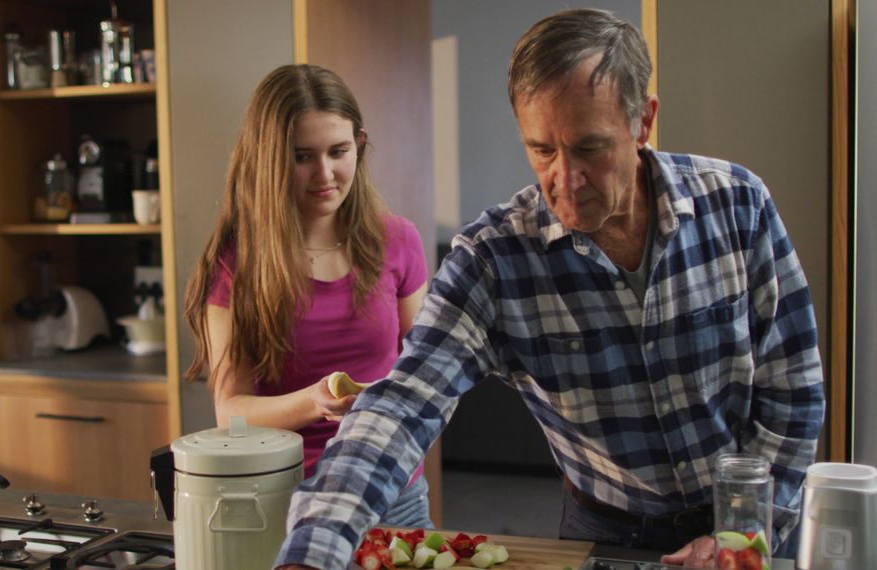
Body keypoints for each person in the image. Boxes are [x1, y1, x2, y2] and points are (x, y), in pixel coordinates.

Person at [275, 8, 825, 570]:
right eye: (542, 150)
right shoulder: (492, 259)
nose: (566, 180)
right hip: (606, 531)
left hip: (741, 526)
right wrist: (311, 551)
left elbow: (794, 391)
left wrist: (740, 534)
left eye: (590, 148)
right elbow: (400, 408)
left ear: (643, 121)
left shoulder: (737, 205)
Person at [183, 64, 432, 529]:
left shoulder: (399, 240)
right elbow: (231, 411)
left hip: (392, 492)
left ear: (359, 143)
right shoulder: (236, 261)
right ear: (270, 158)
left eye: (338, 151)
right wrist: (316, 401)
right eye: (302, 157)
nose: (325, 174)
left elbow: (421, 371)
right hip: (285, 500)